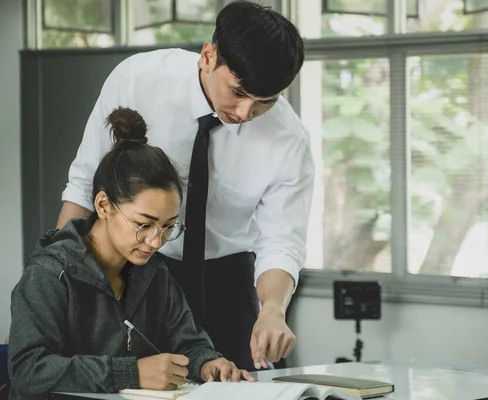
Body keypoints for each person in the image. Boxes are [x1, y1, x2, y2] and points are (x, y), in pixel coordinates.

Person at [56, 1, 314, 371]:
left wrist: (272, 310)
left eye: (265, 102)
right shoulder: (138, 80)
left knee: (233, 384)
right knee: (124, 380)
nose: (244, 115)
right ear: (208, 56)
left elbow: (281, 241)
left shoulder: (289, 139)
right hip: (132, 266)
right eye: (239, 93)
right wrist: (52, 279)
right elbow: (84, 186)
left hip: (226, 278)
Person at [8, 108, 254, 400]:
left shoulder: (155, 273)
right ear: (102, 205)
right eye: (144, 224)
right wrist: (132, 373)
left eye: (168, 227)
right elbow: (27, 371)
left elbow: (189, 343)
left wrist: (208, 364)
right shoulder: (49, 273)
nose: (155, 240)